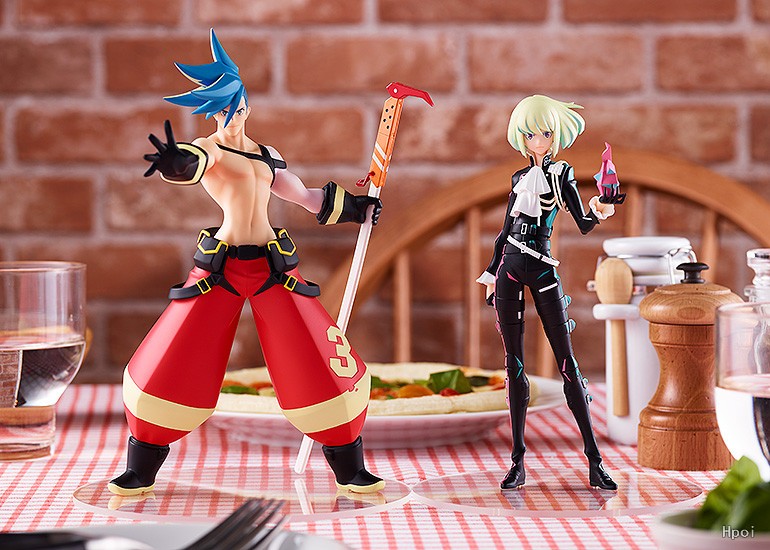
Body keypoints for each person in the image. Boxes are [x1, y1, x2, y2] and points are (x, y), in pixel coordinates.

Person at [109, 29, 384, 496]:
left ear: (247, 106)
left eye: (236, 107)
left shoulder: (266, 155)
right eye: (221, 110)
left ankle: (349, 466)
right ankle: (141, 465)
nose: (230, 116)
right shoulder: (211, 149)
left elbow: (304, 196)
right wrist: (175, 163)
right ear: (210, 113)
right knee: (175, 353)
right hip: (219, 268)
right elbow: (192, 165)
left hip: (273, 267)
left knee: (316, 354)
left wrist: (354, 208)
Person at [477, 95, 618, 491]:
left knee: (567, 363)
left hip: (542, 264)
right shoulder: (518, 179)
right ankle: (517, 461)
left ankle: (595, 461)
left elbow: (583, 223)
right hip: (509, 264)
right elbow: (504, 232)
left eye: (544, 133)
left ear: (555, 136)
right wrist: (490, 273)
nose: (538, 140)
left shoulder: (561, 174)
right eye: (530, 134)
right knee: (514, 365)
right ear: (520, 137)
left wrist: (601, 207)